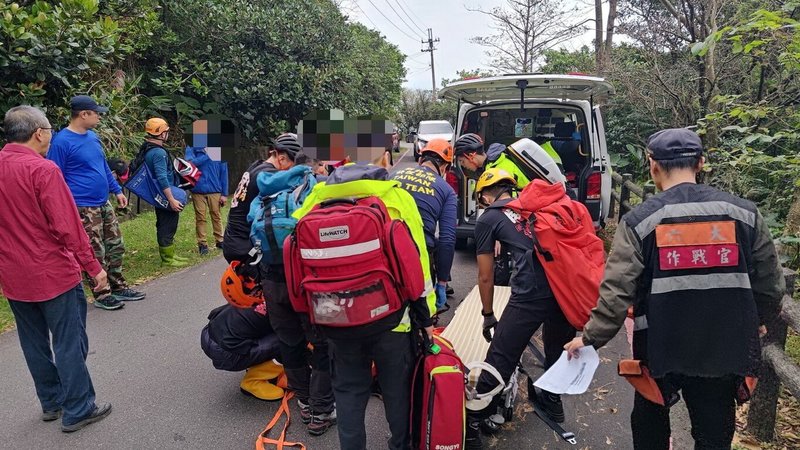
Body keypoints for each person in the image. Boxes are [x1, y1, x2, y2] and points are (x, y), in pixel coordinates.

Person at [564, 128, 785, 450]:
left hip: (659, 346)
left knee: (650, 425)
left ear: (652, 164)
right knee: (713, 433)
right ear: (701, 163)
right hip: (723, 345)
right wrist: (758, 318)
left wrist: (589, 338)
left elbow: (617, 291)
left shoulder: (641, 220)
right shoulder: (744, 214)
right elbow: (770, 284)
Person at [292, 163, 436, 450]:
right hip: (393, 321)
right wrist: (426, 318)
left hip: (337, 321)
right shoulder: (395, 198)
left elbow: (298, 265)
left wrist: (311, 324)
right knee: (397, 393)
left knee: (348, 394)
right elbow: (417, 263)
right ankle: (400, 445)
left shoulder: (314, 201)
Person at [0, 105, 113, 432]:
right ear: (39, 133)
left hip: (14, 275)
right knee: (68, 339)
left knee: (32, 341)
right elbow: (67, 226)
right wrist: (94, 267)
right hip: (52, 272)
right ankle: (79, 407)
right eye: (49, 130)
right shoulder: (43, 170)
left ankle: (52, 402)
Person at [466, 168, 577, 450]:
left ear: (484, 195)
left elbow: (485, 275)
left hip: (530, 293)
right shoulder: (535, 208)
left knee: (499, 356)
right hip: (565, 287)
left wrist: (488, 313)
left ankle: (472, 424)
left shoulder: (489, 217)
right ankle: (553, 403)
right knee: (556, 349)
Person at [256, 134, 336, 435]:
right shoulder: (315, 188)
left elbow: (253, 224)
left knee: (290, 343)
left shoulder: (267, 190)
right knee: (323, 343)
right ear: (314, 164)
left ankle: (303, 400)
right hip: (307, 283)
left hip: (272, 279)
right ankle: (321, 410)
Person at [47, 95, 145, 310]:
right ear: (83, 114)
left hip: (103, 202)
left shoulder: (92, 137)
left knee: (116, 245)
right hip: (82, 206)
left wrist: (117, 190)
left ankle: (119, 286)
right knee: (94, 250)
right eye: (96, 113)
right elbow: (55, 178)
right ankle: (102, 293)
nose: (99, 117)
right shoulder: (62, 142)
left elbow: (101, 167)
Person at [392, 138, 457, 313]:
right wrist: (442, 282)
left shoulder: (394, 176)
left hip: (386, 248)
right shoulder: (446, 190)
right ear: (444, 167)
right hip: (418, 255)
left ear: (421, 159)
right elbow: (447, 240)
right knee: (422, 314)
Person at [200, 302, 285, 401]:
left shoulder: (272, 288)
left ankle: (257, 363)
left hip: (212, 330)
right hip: (226, 351)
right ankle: (252, 381)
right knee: (291, 342)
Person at [136, 118, 188, 267]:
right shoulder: (158, 153)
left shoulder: (149, 149)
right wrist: (171, 199)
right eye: (166, 131)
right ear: (160, 133)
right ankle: (167, 259)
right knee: (168, 224)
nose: (167, 134)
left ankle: (169, 255)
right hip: (165, 193)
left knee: (164, 222)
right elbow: (161, 177)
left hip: (159, 193)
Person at [185, 146, 228, 255]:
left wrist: (224, 194)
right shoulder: (192, 148)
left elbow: (224, 172)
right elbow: (189, 164)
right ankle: (202, 244)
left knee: (216, 215)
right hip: (197, 190)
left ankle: (220, 240)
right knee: (200, 217)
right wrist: (207, 155)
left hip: (215, 189)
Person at [454, 134, 530, 188]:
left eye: (462, 161)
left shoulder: (500, 169)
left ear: (471, 156)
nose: (463, 165)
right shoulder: (487, 167)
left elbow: (506, 200)